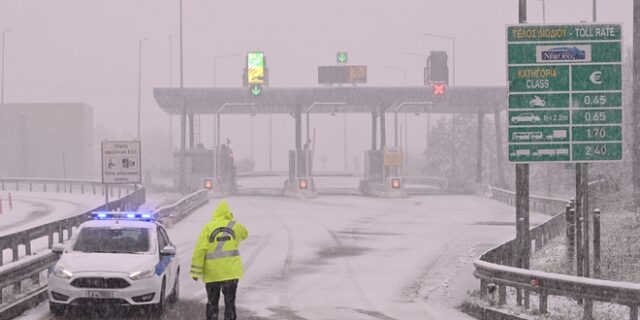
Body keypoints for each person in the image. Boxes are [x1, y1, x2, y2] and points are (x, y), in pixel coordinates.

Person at [190, 199, 248, 320]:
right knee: (230, 303)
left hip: (212, 274)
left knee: (212, 303)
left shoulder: (208, 227)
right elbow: (245, 234)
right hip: (230, 273)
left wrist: (195, 272)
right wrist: (231, 220)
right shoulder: (234, 225)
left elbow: (200, 250)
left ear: (215, 213)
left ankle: (212, 317)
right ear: (228, 213)